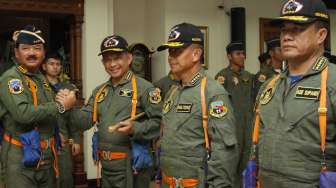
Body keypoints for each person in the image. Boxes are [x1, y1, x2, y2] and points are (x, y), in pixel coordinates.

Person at [253, 0, 336, 187]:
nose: (286, 37)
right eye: (284, 29)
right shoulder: (269, 86)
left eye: (297, 29)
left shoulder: (332, 83)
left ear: (321, 35)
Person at [67, 35, 162, 188]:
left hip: (132, 165)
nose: (112, 64)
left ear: (129, 58)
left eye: (117, 58)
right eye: (107, 59)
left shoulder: (145, 88)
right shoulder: (99, 91)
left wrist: (135, 128)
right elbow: (82, 122)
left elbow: (159, 123)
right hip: (106, 166)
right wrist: (68, 107)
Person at [156, 22, 238, 187]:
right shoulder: (173, 92)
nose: (171, 57)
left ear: (196, 54)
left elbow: (224, 151)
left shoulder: (212, 93)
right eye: (170, 51)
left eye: (177, 51)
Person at [0, 25, 76, 188]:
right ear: (16, 53)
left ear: (43, 53)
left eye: (37, 48)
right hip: (20, 157)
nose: (32, 53)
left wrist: (57, 131)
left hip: (47, 156)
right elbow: (24, 114)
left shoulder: (41, 78)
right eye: (26, 48)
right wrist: (61, 106)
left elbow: (46, 111)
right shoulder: (12, 78)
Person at [215, 42, 254, 186]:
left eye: (243, 53)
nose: (242, 56)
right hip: (231, 127)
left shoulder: (249, 77)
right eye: (238, 54)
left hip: (248, 126)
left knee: (246, 162)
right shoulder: (222, 77)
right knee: (231, 163)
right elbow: (217, 104)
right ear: (229, 56)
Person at [42, 52, 81, 188]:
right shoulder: (38, 86)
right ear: (44, 66)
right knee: (46, 177)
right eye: (51, 64)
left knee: (65, 177)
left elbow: (73, 117)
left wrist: (76, 139)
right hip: (44, 139)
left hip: (63, 140)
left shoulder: (68, 88)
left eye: (58, 64)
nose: (55, 67)